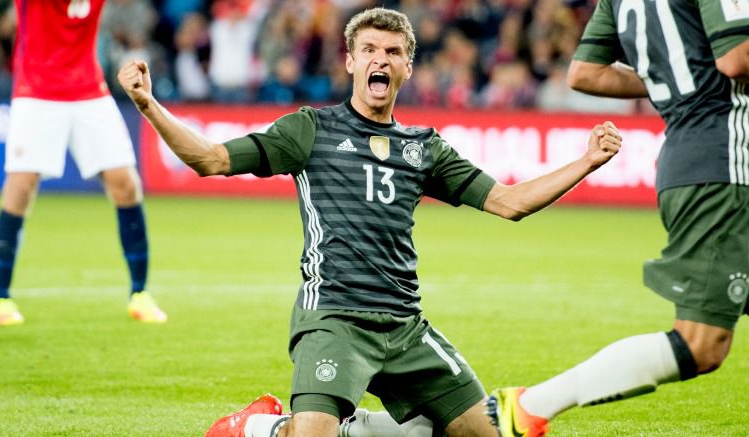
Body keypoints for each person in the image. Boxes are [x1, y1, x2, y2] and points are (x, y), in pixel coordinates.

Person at [118, 7, 622, 437]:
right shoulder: (309, 130)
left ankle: (348, 424)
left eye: (393, 51)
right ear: (351, 61)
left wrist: (587, 162)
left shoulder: (424, 147)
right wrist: (147, 103)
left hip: (405, 325)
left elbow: (510, 202)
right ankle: (264, 427)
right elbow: (209, 159)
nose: (380, 58)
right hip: (335, 317)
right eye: (369, 49)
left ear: (407, 66)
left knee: (482, 431)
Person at [487, 1, 749, 436]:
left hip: (691, 157)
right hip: (724, 160)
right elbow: (736, 58)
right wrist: (691, 76)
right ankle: (525, 408)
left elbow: (586, 72)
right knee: (702, 343)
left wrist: (679, 76)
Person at [0, 0, 167, 326]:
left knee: (125, 184)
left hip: (88, 90)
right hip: (36, 91)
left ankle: (140, 293)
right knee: (21, 187)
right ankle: (0, 297)